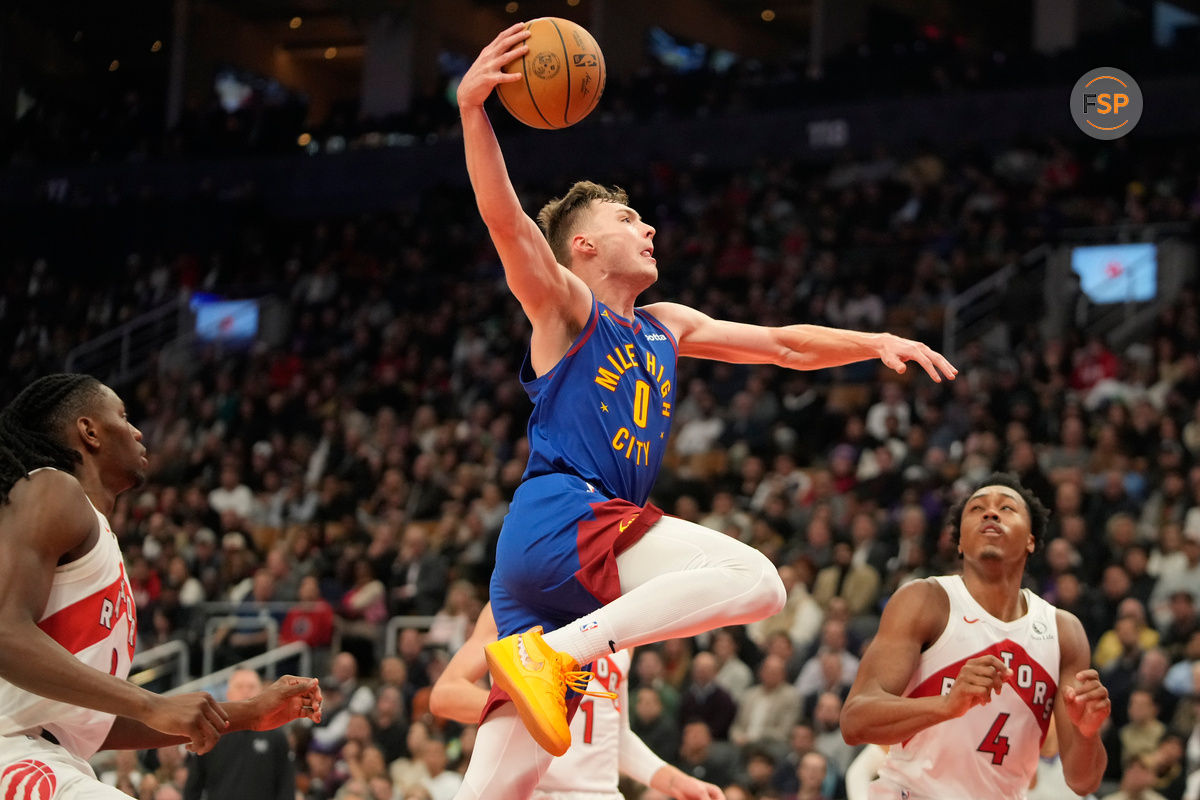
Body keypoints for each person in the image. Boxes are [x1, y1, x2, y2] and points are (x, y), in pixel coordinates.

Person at [455, 24, 957, 793]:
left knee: (497, 783)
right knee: (756, 580)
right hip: (565, 516)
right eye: (626, 221)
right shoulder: (564, 306)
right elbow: (507, 223)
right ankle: (553, 656)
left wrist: (872, 339)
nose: (648, 227)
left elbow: (784, 346)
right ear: (582, 248)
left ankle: (550, 657)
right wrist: (473, 111)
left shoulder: (665, 325)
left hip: (546, 567)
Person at [0, 373, 323, 798]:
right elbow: (4, 634)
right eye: (122, 415)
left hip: (51, 757)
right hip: (16, 755)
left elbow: (90, 718)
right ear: (89, 431)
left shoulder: (99, 539)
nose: (137, 430)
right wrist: (151, 703)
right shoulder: (53, 488)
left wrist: (246, 714)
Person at [840, 472, 1111, 799]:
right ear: (960, 541)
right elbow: (855, 721)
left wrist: (1087, 732)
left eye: (1007, 508)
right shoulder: (926, 600)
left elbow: (1083, 782)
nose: (991, 512)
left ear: (1031, 539)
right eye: (976, 508)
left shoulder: (1064, 632)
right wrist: (946, 705)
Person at [430, 603, 722, 800]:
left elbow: (612, 734)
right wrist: (528, 705)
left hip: (601, 793)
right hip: (535, 790)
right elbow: (445, 694)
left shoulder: (623, 609)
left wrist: (674, 781)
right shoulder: (514, 601)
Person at [183, 668, 295, 800]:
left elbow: (286, 785)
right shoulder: (211, 732)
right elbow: (193, 785)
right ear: (228, 693)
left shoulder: (276, 735)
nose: (246, 692)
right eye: (239, 687)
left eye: (251, 687)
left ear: (261, 692)